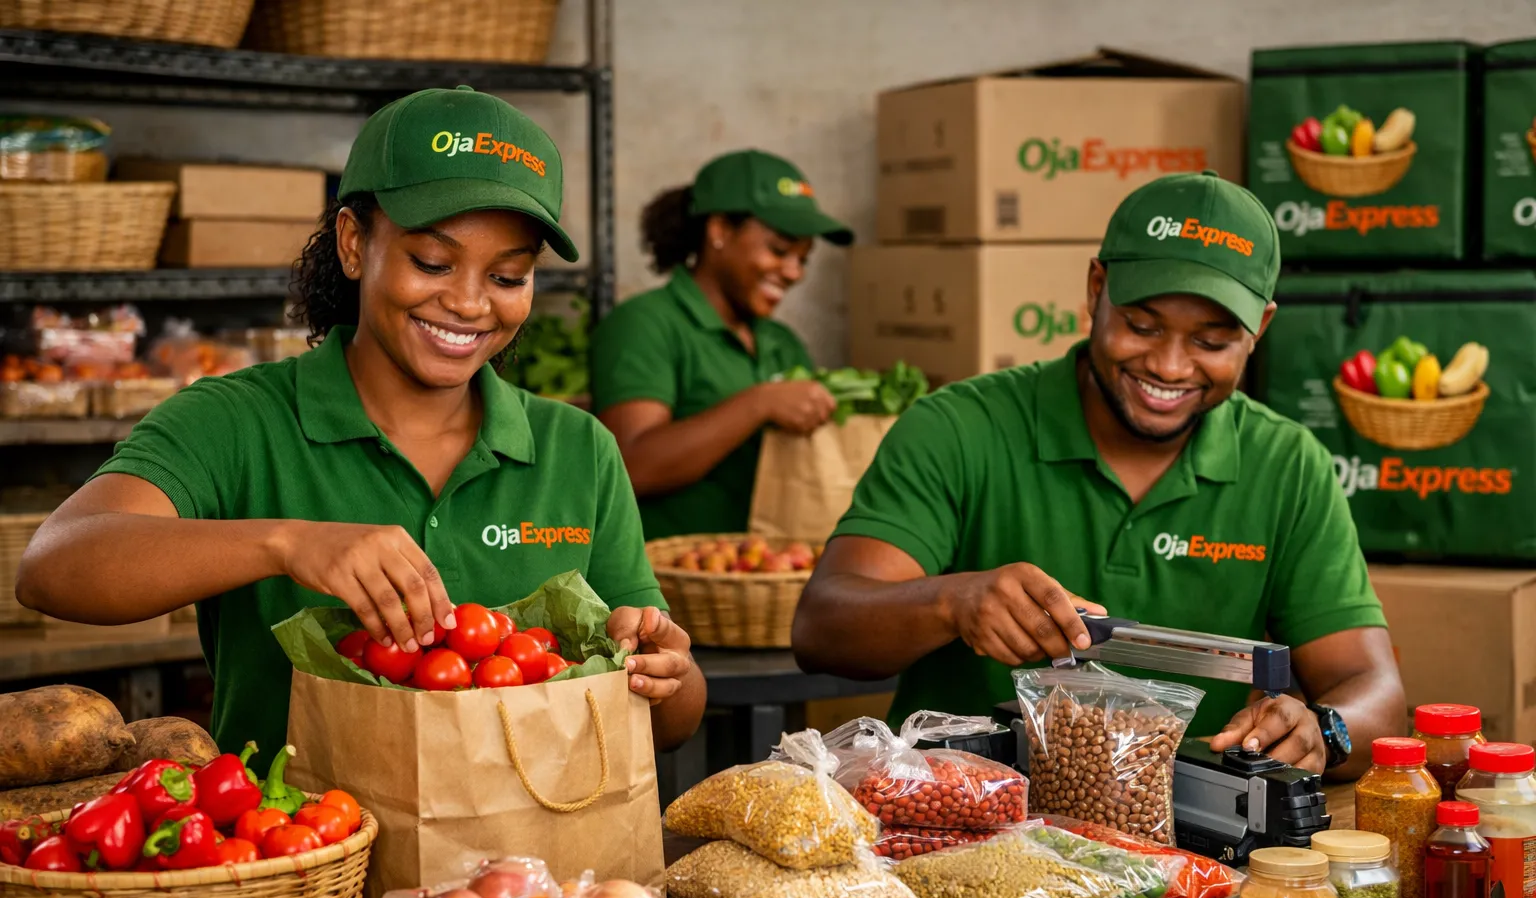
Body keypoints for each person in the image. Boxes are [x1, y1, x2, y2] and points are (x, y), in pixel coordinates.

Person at [15, 87, 705, 771]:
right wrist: (287, 543)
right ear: (353, 243)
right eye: (431, 263)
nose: (469, 303)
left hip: (533, 840)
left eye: (507, 276)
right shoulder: (236, 420)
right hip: (296, 841)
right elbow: (54, 569)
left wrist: (665, 670)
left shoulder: (576, 448)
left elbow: (674, 723)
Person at [793, 171, 1404, 779]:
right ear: (1096, 288)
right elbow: (823, 628)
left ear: (1258, 330)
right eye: (1142, 326)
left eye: (1212, 341)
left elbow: (1373, 690)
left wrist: (1322, 730)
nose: (1169, 366)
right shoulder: (958, 429)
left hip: (1190, 830)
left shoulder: (1287, 465)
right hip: (960, 816)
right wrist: (952, 602)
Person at [590, 150, 854, 539]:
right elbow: (631, 465)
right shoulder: (645, 324)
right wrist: (760, 404)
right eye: (779, 251)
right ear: (719, 231)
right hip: (668, 568)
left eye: (803, 260)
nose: (793, 272)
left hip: (763, 566)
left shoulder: (781, 343)